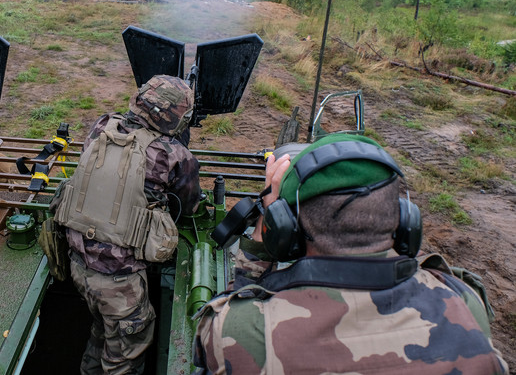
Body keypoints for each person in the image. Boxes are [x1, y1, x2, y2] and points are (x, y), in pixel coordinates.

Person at [192, 133, 508, 374]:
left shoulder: (245, 330)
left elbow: (217, 327)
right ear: (405, 220)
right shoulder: (466, 302)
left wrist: (264, 236)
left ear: (285, 229)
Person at [53, 75, 201, 375]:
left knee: (101, 333)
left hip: (78, 267)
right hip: (120, 286)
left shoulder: (102, 125)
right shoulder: (175, 154)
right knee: (124, 359)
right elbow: (188, 206)